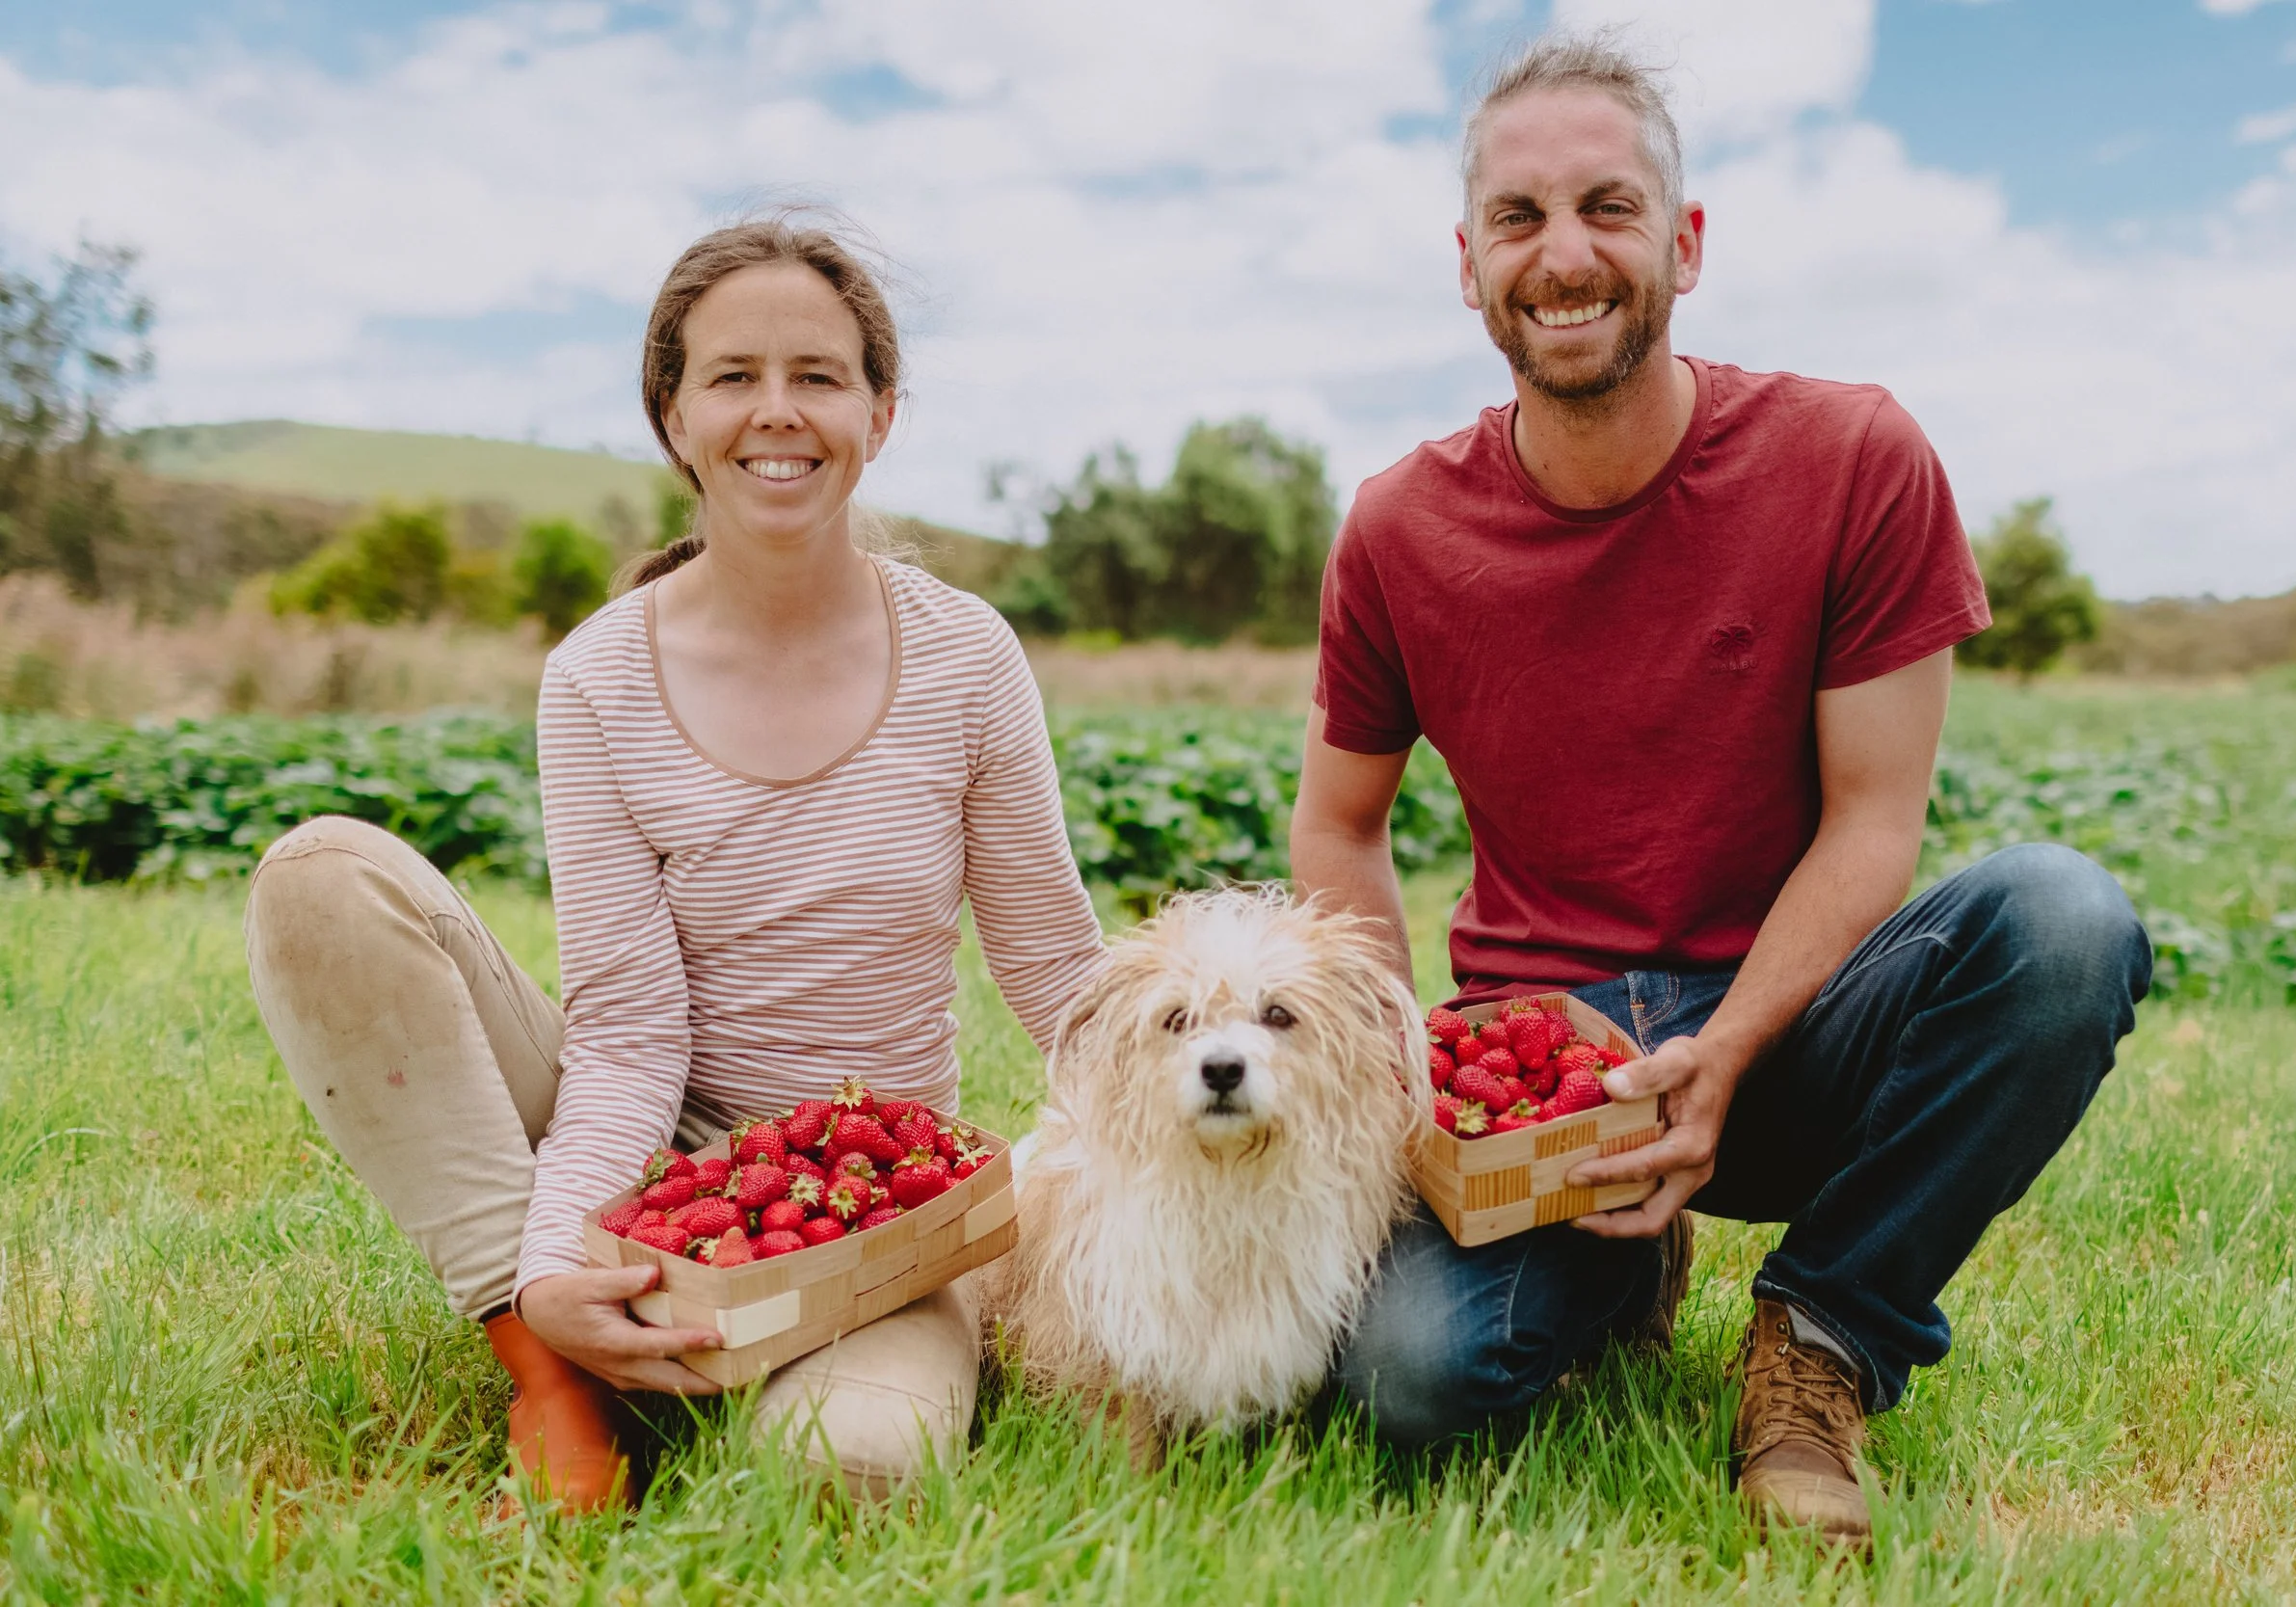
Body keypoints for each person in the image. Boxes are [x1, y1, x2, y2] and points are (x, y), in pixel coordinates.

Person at [1292, 37, 2150, 1546]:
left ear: (1684, 244)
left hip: (1801, 1024)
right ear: (1469, 264)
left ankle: (1824, 1331)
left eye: (1609, 208)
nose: (1565, 255)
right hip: (1551, 1067)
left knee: (2064, 920)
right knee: (1406, 1377)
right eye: (1518, 218)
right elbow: (1338, 823)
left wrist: (1729, 1046)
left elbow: (1875, 818)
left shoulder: (1852, 456)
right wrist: (1405, 1085)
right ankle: (1622, 1255)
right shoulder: (1400, 527)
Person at [244, 215, 1106, 1511]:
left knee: (852, 1471)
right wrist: (554, 1261)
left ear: (880, 415)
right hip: (658, 1152)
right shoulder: (598, 675)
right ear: (674, 416)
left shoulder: (966, 655)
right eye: (733, 375)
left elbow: (1054, 972)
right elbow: (630, 1034)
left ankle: (702, 1352)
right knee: (324, 879)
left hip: (874, 1202)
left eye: (818, 376)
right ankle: (550, 1364)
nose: (778, 412)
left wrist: (1222, 1086)